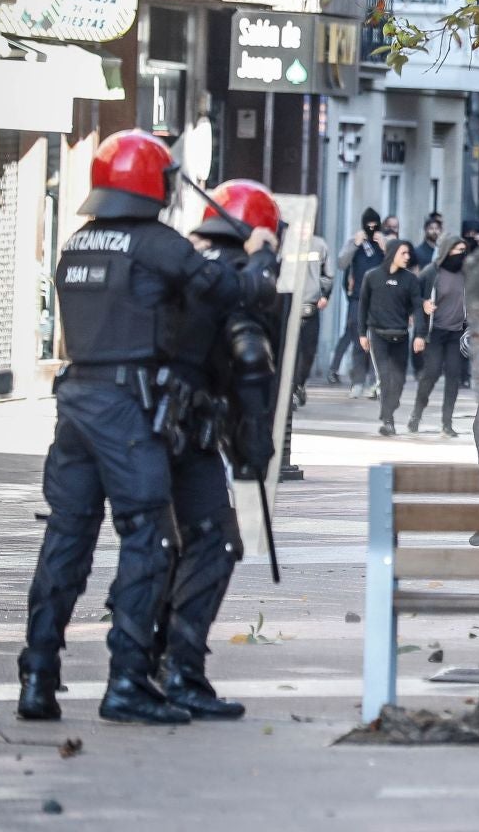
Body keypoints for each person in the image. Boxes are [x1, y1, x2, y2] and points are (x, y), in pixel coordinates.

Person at [18, 130, 278, 725]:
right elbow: (232, 289)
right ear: (154, 185)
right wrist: (261, 253)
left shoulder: (78, 244)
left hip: (75, 404)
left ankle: (38, 678)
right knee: (151, 540)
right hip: (127, 410)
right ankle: (129, 682)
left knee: (66, 541)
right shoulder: (157, 245)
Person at [157, 179, 289, 721]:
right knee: (215, 542)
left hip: (136, 423)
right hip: (188, 426)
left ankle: (144, 662)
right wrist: (253, 452)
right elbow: (249, 371)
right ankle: (181, 668)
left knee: (160, 545)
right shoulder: (236, 278)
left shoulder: (187, 261)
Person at [358, 240, 421, 436]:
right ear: (393, 253)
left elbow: (417, 308)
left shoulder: (410, 280)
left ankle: (390, 406)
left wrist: (419, 334)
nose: (407, 257)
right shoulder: (372, 276)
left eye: (408, 254)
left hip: (400, 336)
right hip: (378, 335)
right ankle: (388, 420)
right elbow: (362, 307)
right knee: (385, 378)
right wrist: (362, 334)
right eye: (403, 253)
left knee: (399, 380)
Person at [410, 235, 470, 436]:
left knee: (454, 377)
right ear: (446, 251)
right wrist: (423, 306)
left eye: (464, 250)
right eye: (457, 250)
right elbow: (414, 297)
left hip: (457, 333)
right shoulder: (431, 273)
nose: (461, 254)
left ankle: (447, 422)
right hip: (435, 332)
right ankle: (416, 415)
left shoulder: (467, 274)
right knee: (431, 374)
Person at [332, 208, 385, 394]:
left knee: (377, 339)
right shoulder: (355, 244)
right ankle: (358, 381)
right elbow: (341, 263)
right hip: (358, 297)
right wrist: (354, 244)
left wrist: (386, 246)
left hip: (380, 298)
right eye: (368, 224)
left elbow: (397, 264)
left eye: (374, 224)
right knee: (358, 338)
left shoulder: (383, 243)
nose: (371, 228)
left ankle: (375, 381)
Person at [293, 231, 334, 407]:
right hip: (288, 304)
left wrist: (325, 294)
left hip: (310, 305)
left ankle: (299, 384)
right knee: (290, 353)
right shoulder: (286, 243)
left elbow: (328, 273)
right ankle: (291, 389)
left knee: (308, 351)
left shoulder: (319, 245)